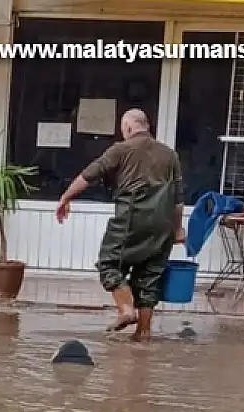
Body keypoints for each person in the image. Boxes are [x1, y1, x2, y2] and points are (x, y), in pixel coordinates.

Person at [55, 109, 186, 342]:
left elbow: (89, 175)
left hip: (131, 219)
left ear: (127, 128)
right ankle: (143, 334)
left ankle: (126, 311)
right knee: (149, 278)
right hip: (163, 225)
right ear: (146, 126)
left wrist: (65, 197)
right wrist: (178, 229)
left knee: (109, 263)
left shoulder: (121, 149)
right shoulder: (170, 155)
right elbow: (178, 198)